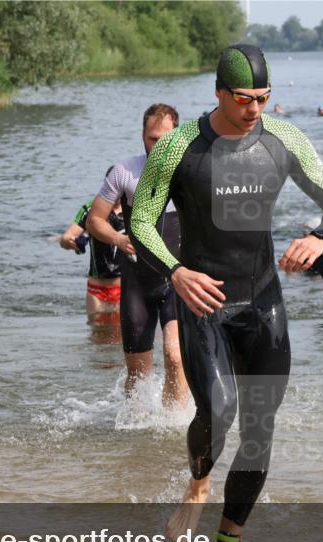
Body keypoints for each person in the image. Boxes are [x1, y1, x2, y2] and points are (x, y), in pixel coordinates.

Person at [129, 44, 323, 542]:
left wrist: (321, 238)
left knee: (259, 426)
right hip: (202, 298)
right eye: (245, 98)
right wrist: (177, 272)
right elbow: (141, 222)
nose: (255, 109)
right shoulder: (179, 146)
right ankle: (199, 480)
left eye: (264, 98)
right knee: (220, 408)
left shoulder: (283, 138)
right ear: (219, 93)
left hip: (263, 300)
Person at [84, 104, 188, 407]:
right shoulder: (124, 172)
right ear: (143, 135)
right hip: (138, 283)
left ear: (177, 136)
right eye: (152, 138)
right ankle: (135, 432)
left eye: (164, 139)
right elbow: (94, 220)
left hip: (177, 281)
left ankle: (175, 425)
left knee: (175, 356)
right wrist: (118, 237)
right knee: (138, 376)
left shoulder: (189, 172)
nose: (157, 146)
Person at [61, 183, 123, 320]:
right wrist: (69, 242)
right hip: (97, 289)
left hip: (126, 288)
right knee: (97, 335)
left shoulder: (134, 208)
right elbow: (66, 238)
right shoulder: (91, 208)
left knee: (121, 336)